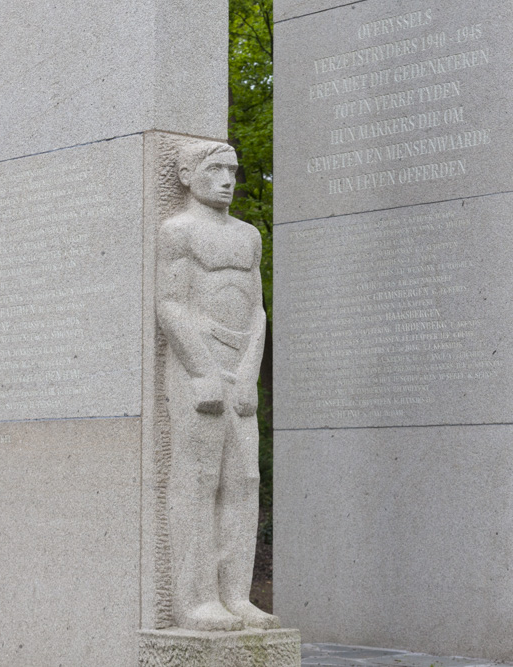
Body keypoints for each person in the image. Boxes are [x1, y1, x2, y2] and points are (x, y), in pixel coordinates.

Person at [156, 140, 279, 630]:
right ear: (188, 175)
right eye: (215, 170)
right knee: (199, 478)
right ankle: (196, 598)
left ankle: (236, 594)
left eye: (232, 170)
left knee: (244, 480)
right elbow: (172, 304)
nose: (227, 179)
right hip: (199, 362)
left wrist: (249, 373)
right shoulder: (178, 231)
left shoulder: (249, 235)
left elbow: (258, 310)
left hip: (239, 362)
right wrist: (202, 370)